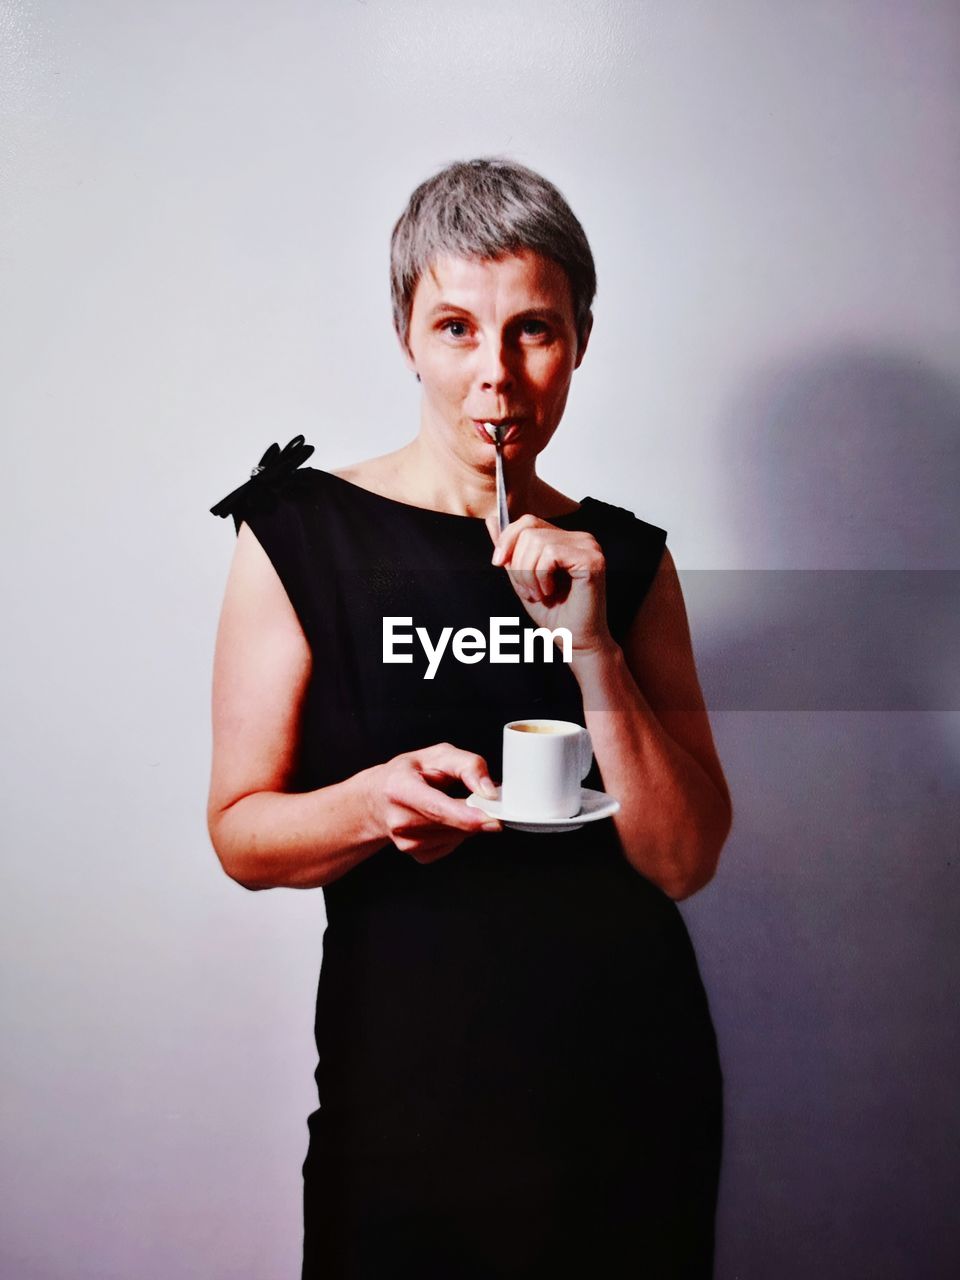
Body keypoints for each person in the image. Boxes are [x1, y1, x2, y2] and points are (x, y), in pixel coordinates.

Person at [208, 157, 732, 1278]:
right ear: (406, 332)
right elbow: (239, 833)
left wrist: (591, 641)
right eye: (455, 326)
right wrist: (367, 805)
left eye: (533, 329)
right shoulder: (303, 532)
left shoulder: (626, 557)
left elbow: (685, 857)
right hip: (404, 1103)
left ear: (580, 341)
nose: (495, 375)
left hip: (627, 1095)